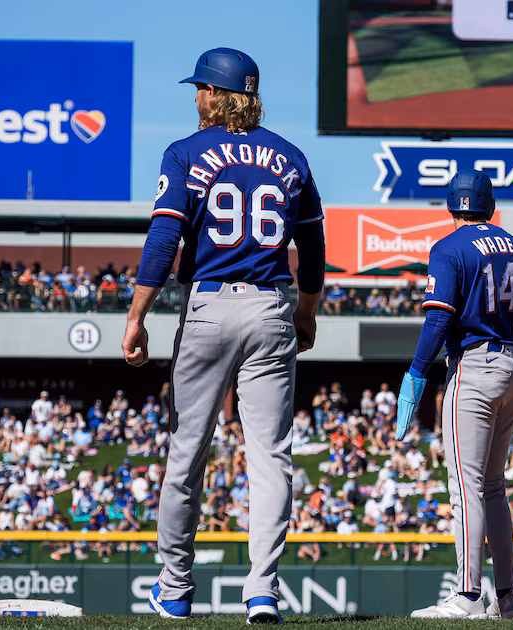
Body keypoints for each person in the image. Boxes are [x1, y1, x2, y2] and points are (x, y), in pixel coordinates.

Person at [123, 47, 325, 624]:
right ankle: (261, 592)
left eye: (200, 89)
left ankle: (176, 586)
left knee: (187, 452)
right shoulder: (290, 156)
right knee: (270, 459)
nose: (195, 97)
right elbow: (312, 250)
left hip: (209, 305)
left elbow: (164, 241)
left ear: (217, 94)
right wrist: (306, 313)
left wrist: (138, 316)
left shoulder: (187, 150)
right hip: (270, 307)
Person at [395, 169, 513, 619]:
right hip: (512, 367)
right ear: (488, 204)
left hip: (473, 366)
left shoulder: (448, 247)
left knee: (465, 488)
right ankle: (507, 601)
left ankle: (468, 595)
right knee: (493, 489)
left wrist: (416, 372)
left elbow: (439, 319)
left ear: (452, 206)